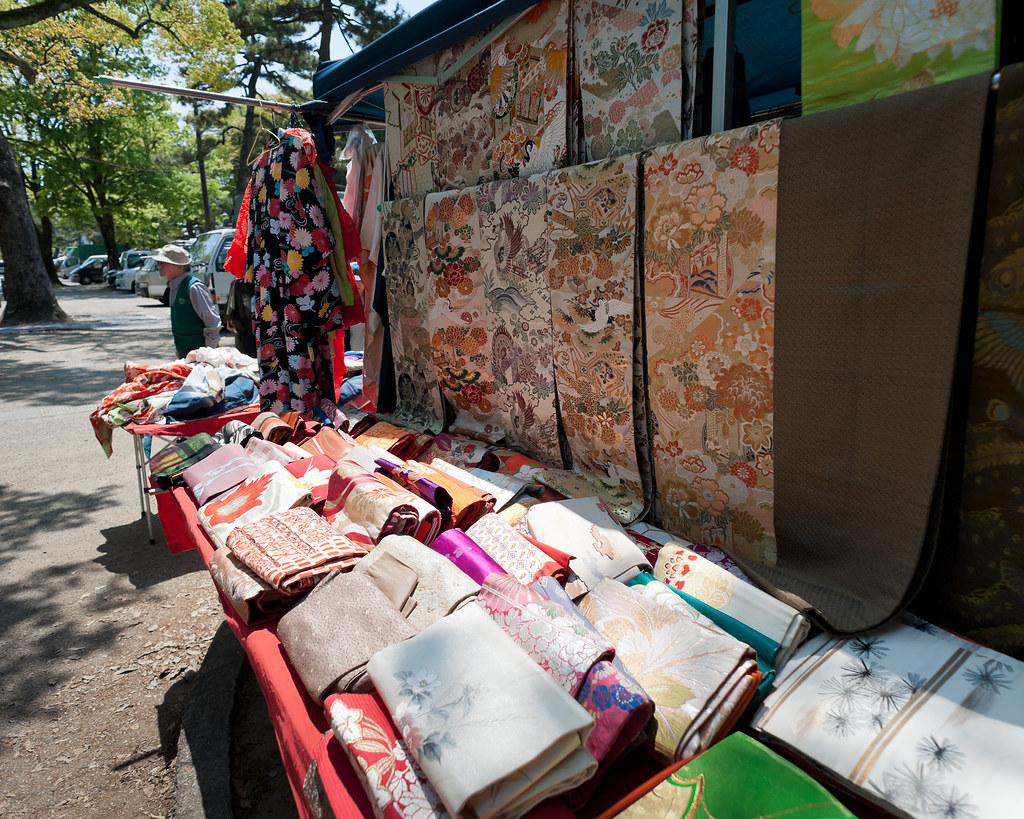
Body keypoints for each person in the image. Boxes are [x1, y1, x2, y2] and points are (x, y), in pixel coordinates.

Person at [154, 243, 221, 358]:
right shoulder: (173, 287)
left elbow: (212, 322)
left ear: (179, 266)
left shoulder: (194, 287)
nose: (159, 266)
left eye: (162, 263)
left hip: (201, 354)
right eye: (158, 263)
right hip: (185, 352)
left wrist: (209, 354)